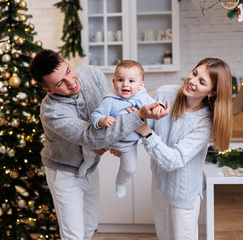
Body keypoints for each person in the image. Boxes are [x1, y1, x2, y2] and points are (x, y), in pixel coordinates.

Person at [28, 49, 169, 240]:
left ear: (68, 62)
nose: (72, 82)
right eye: (60, 83)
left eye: (68, 71)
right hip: (65, 173)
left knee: (90, 225)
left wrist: (113, 143)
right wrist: (138, 116)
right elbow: (92, 136)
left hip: (91, 165)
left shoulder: (92, 74)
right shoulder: (52, 111)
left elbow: (112, 110)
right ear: (48, 89)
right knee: (74, 235)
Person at [132, 58, 232, 240]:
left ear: (212, 93)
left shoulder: (205, 122)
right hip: (159, 182)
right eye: (194, 73)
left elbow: (174, 159)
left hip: (184, 191)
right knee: (163, 235)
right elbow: (146, 129)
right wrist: (123, 146)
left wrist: (145, 132)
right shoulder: (164, 94)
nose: (192, 81)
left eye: (202, 82)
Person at [78, 60, 165, 199]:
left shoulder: (143, 97)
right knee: (87, 145)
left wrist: (159, 107)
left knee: (130, 168)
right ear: (113, 82)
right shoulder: (110, 100)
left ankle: (120, 182)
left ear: (141, 85)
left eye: (131, 81)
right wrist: (102, 120)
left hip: (128, 145)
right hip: (106, 138)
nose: (125, 84)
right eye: (120, 80)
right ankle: (87, 162)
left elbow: (154, 104)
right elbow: (96, 115)